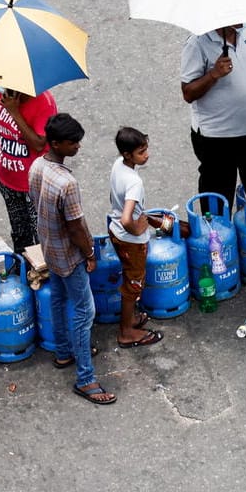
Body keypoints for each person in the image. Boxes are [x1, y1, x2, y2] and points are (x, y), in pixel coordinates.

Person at [27, 113, 113, 405]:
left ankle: (64, 352)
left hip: (49, 248)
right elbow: (76, 225)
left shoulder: (37, 166)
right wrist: (89, 253)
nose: (78, 146)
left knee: (59, 299)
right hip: (69, 254)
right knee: (84, 312)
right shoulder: (66, 183)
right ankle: (85, 378)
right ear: (55, 143)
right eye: (72, 142)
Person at [179, 23, 246, 204]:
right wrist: (213, 74)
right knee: (218, 205)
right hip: (217, 138)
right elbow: (188, 93)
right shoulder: (197, 43)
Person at [0, 82, 54, 257]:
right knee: (19, 233)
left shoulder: (44, 102)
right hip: (6, 178)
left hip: (32, 186)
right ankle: (23, 270)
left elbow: (39, 144)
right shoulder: (8, 92)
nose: (4, 89)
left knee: (41, 236)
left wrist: (14, 112)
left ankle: (45, 275)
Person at [106, 128, 168, 349]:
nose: (147, 154)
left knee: (130, 280)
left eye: (146, 149)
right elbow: (126, 219)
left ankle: (129, 319)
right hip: (130, 241)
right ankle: (127, 332)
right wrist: (137, 229)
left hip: (116, 233)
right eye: (141, 152)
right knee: (133, 285)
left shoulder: (118, 165)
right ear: (127, 154)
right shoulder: (134, 182)